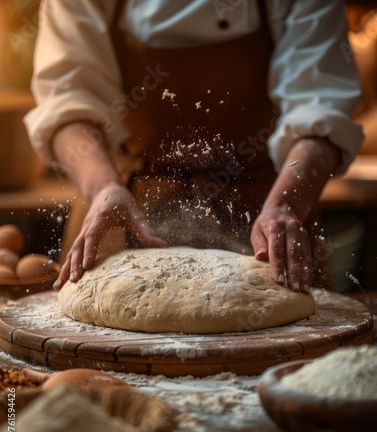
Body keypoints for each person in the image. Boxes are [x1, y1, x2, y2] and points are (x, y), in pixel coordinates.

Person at [25, 0, 364, 294]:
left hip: (268, 217)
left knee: (292, 360)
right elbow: (66, 103)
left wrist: (286, 205)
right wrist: (102, 188)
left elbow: (321, 110)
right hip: (120, 213)